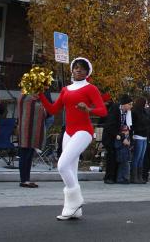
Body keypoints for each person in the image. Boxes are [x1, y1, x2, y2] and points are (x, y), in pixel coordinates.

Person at [39, 57, 107, 220]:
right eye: (76, 67)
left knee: (62, 165)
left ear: (87, 72)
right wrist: (40, 94)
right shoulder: (65, 89)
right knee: (71, 171)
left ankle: (76, 201)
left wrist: (88, 108)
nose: (78, 70)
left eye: (82, 68)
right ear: (72, 70)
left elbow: (103, 111)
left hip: (83, 131)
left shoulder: (91, 89)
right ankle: (74, 210)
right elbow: (54, 110)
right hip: (68, 133)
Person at [101, 94, 133, 184]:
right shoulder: (115, 110)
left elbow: (127, 125)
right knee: (111, 157)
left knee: (116, 156)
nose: (131, 106)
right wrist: (121, 137)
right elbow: (110, 126)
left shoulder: (127, 113)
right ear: (124, 104)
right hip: (110, 136)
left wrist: (126, 134)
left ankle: (114, 177)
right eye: (129, 104)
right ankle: (109, 177)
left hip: (117, 136)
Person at [17, 94, 47, 188]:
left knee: (28, 155)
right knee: (25, 155)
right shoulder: (27, 97)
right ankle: (24, 180)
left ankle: (26, 179)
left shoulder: (27, 96)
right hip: (27, 129)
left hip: (31, 129)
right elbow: (41, 110)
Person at [131, 96, 148, 184]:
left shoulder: (144, 112)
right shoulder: (135, 112)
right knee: (137, 157)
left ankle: (139, 176)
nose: (146, 104)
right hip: (138, 136)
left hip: (144, 136)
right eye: (145, 103)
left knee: (141, 157)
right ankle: (134, 177)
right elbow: (133, 125)